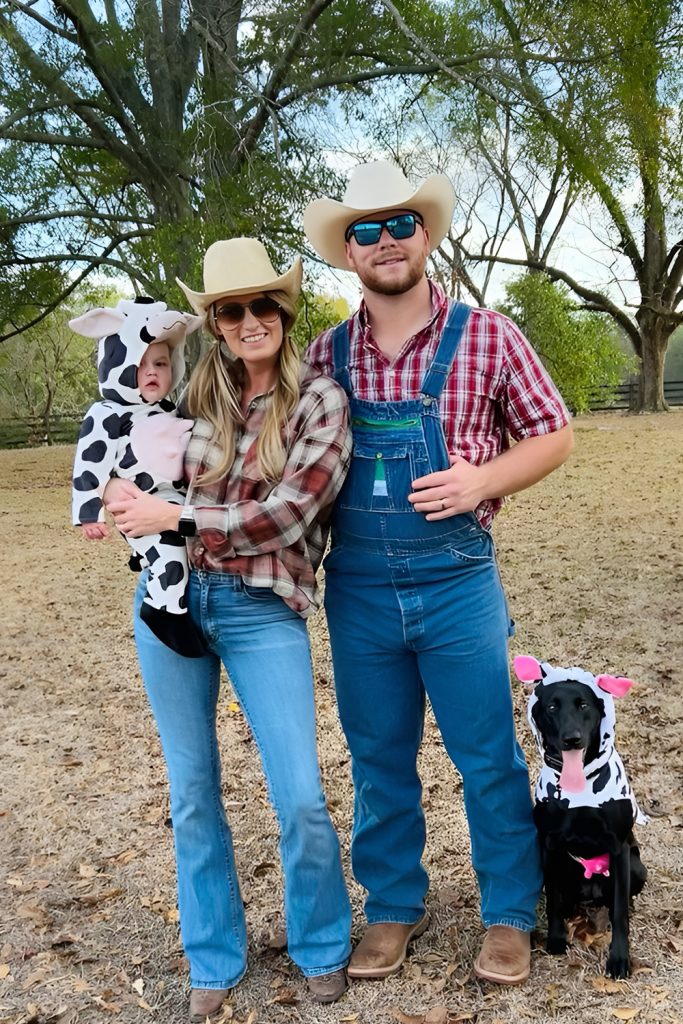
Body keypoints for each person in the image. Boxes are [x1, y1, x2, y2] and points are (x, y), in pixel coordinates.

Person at [303, 161, 574, 986]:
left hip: (457, 585)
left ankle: (508, 913)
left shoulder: (489, 335)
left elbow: (553, 433)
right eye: (366, 230)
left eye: (400, 225)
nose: (385, 241)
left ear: (424, 235)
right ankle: (392, 905)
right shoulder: (322, 355)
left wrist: (481, 479)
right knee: (377, 756)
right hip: (357, 592)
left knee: (487, 757)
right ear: (347, 251)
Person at [105, 239, 353, 1021]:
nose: (249, 320)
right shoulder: (192, 396)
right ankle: (212, 956)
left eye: (262, 305)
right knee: (191, 792)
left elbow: (289, 516)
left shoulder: (319, 400)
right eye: (230, 310)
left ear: (283, 311)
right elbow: (137, 463)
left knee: (300, 794)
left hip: (259, 607)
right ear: (214, 322)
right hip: (170, 601)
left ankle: (321, 944)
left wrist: (175, 516)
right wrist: (117, 497)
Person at [70, 297, 205, 657]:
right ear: (118, 362)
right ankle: (165, 611)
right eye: (139, 363)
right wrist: (89, 512)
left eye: (160, 363)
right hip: (140, 504)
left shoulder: (169, 409)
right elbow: (90, 461)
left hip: (173, 501)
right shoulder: (107, 413)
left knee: (184, 546)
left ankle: (157, 579)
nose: (151, 372)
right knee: (171, 553)